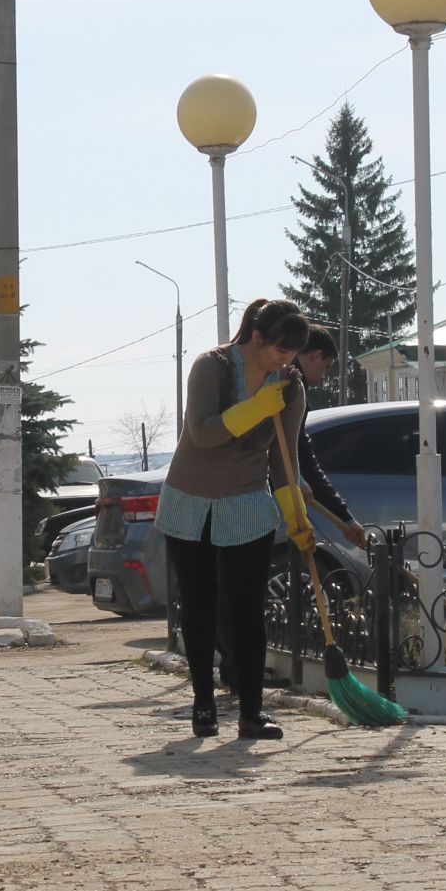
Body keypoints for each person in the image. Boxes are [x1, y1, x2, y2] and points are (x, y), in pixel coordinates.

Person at [157, 298, 311, 741]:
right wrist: (257, 407)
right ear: (257, 338)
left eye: (293, 353)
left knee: (248, 611)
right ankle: (204, 705)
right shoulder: (213, 367)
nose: (286, 361)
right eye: (281, 350)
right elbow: (202, 433)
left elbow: (285, 459)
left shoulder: (291, 387)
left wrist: (295, 515)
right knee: (200, 605)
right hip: (191, 500)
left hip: (247, 503)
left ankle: (252, 712)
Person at [291, 327, 369, 548]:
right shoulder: (291, 389)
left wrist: (344, 516)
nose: (323, 377)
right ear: (315, 355)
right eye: (324, 368)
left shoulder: (293, 386)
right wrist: (344, 516)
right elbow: (300, 454)